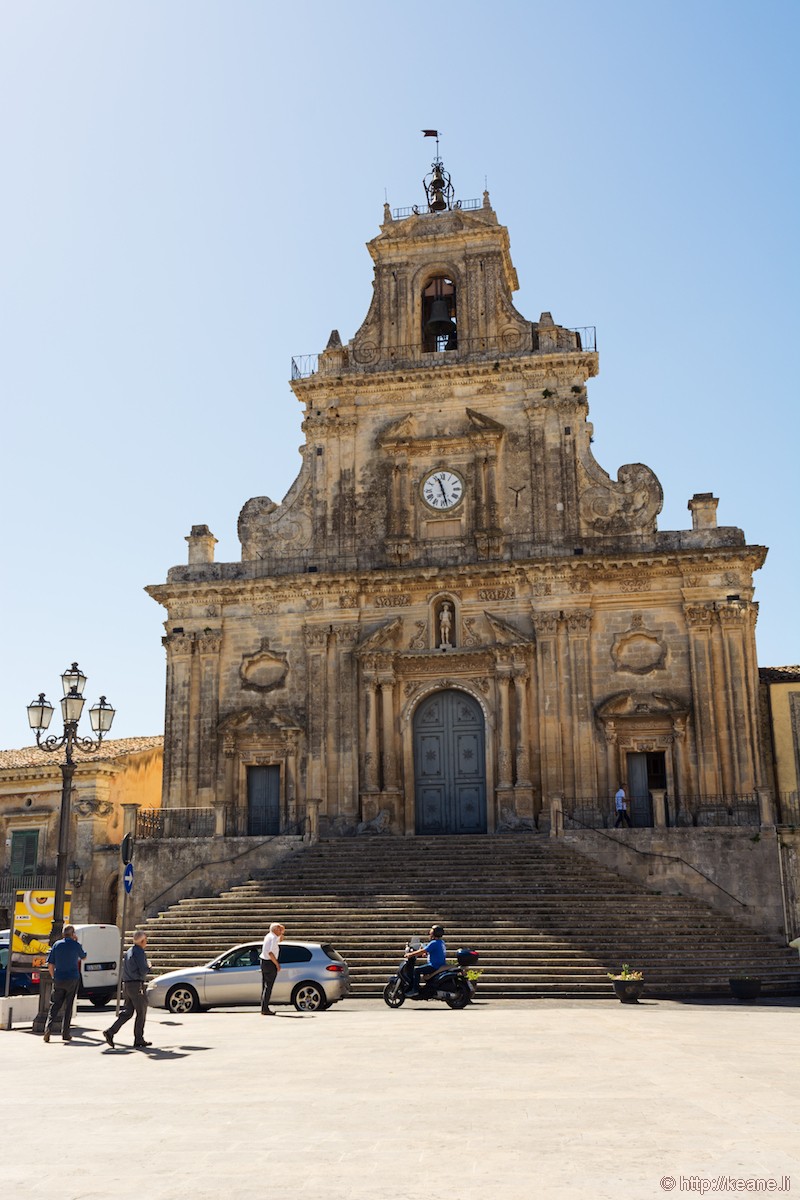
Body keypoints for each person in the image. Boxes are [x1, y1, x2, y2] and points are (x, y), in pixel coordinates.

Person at [104, 931, 151, 1049]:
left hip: (127, 985)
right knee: (141, 1011)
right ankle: (138, 1038)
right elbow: (143, 969)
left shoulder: (129, 951)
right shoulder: (139, 952)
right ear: (142, 941)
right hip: (136, 985)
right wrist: (149, 966)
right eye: (145, 940)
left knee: (128, 1012)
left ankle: (111, 1031)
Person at [43, 924, 86, 1043]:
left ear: (63, 934)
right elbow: (84, 957)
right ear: (73, 935)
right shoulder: (75, 945)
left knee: (54, 1005)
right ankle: (65, 1033)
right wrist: (77, 942)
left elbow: (50, 964)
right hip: (72, 978)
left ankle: (48, 1029)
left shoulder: (57, 945)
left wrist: (53, 976)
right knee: (68, 1007)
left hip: (59, 978)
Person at [407, 924, 447, 995]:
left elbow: (422, 951)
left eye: (431, 930)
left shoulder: (434, 943)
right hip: (440, 965)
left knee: (417, 971)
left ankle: (415, 990)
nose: (430, 932)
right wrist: (427, 953)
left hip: (434, 966)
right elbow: (434, 951)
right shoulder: (441, 942)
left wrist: (410, 954)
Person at [260, 922, 284, 1016]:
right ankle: (265, 1008)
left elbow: (280, 940)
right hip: (270, 963)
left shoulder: (269, 936)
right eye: (278, 929)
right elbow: (270, 953)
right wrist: (277, 964)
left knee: (265, 986)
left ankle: (264, 1007)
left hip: (264, 962)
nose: (280, 931)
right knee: (268, 987)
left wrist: (282, 931)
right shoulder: (273, 937)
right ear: (275, 929)